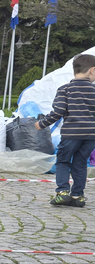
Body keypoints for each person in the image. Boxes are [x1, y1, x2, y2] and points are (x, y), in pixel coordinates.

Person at [36, 54, 95, 207]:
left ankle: (62, 192)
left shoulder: (65, 89)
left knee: (63, 161)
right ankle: (78, 196)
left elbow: (58, 112)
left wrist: (42, 123)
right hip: (90, 136)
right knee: (81, 163)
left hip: (71, 135)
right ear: (92, 71)